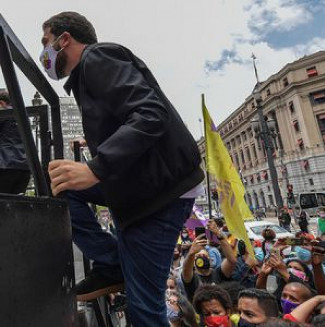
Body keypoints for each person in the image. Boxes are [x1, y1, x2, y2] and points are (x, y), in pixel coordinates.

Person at [40, 11, 204, 327]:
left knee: (144, 308)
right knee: (61, 184)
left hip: (159, 196)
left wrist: (97, 167)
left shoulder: (98, 57)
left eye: (46, 42)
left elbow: (150, 113)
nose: (44, 53)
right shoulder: (88, 77)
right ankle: (112, 262)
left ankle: (113, 263)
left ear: (65, 40)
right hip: (137, 189)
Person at [181, 220, 237, 302]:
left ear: (211, 260)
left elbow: (232, 261)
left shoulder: (218, 273)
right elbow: (186, 269)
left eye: (204, 256)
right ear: (193, 263)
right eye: (198, 256)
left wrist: (219, 235)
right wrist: (191, 253)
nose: (201, 258)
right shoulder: (192, 279)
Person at [0, 89, 30, 194]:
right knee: (17, 204)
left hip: (5, 165)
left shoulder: (4, 114)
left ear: (1, 103)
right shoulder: (23, 116)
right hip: (25, 168)